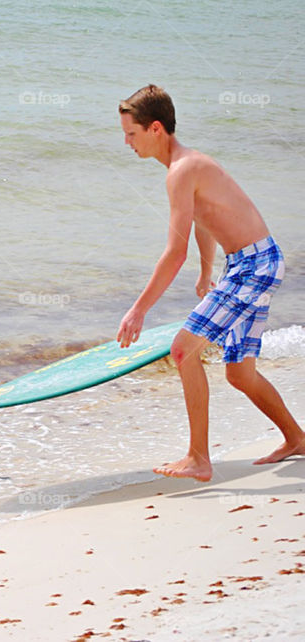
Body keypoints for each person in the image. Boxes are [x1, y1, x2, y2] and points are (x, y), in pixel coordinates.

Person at [114, 84, 305, 482]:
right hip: (253, 262)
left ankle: (199, 458)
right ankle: (296, 438)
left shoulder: (183, 170)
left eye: (131, 133)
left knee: (183, 350)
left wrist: (138, 310)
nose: (126, 142)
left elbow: (173, 252)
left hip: (254, 266)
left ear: (155, 130)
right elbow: (205, 218)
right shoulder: (185, 167)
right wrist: (206, 272)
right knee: (239, 373)